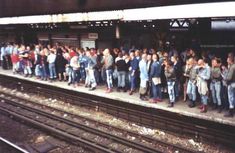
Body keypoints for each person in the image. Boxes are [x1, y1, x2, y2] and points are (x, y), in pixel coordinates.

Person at [224, 53, 235, 117]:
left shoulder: (232, 67)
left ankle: (231, 112)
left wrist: (225, 78)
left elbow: (229, 77)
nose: (227, 59)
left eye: (228, 58)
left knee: (231, 98)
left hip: (231, 84)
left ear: (230, 59)